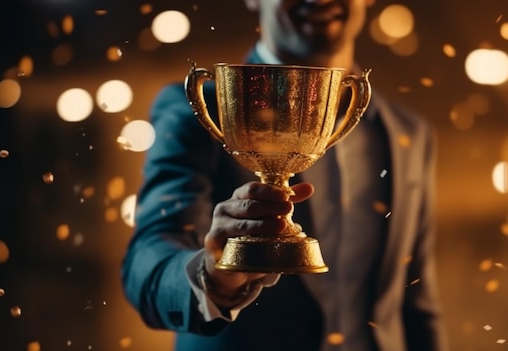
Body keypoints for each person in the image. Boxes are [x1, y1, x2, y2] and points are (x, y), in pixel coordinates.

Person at [122, 0, 450, 350]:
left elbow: (417, 304)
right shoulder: (199, 111)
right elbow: (148, 264)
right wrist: (212, 276)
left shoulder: (409, 134)